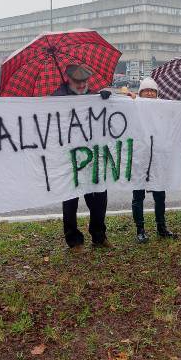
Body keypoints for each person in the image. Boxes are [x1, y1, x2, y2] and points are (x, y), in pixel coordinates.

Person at [52, 64, 112, 249]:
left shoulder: (92, 96)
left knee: (99, 195)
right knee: (70, 199)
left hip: (91, 155)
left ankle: (99, 235)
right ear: (68, 79)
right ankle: (73, 239)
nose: (81, 85)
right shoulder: (57, 98)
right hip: (68, 157)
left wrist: (104, 98)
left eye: (84, 81)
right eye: (78, 82)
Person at [129, 77, 177, 243]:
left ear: (157, 93)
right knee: (138, 194)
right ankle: (140, 229)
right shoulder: (133, 105)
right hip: (139, 156)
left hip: (157, 157)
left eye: (152, 91)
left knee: (159, 194)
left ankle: (161, 226)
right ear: (141, 92)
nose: (149, 93)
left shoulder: (163, 106)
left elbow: (176, 113)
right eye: (146, 90)